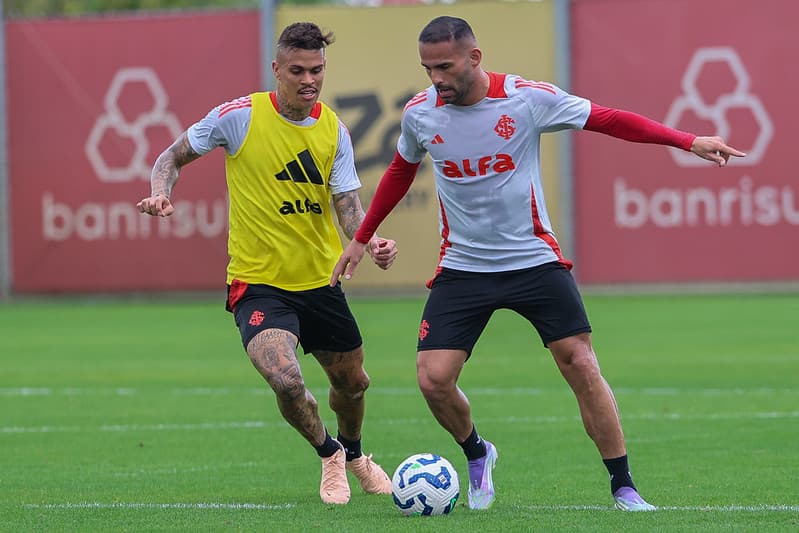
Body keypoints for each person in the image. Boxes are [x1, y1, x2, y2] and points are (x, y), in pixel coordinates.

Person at [332, 16, 745, 512]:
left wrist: (686, 140)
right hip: (464, 266)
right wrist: (361, 236)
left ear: (474, 58)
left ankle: (624, 487)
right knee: (432, 379)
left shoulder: (526, 99)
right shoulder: (421, 113)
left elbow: (608, 119)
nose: (436, 78)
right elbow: (401, 169)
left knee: (580, 362)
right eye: (427, 68)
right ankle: (478, 453)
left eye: (445, 66)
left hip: (534, 261)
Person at [137, 22, 397, 505]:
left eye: (317, 70)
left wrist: (372, 240)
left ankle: (356, 453)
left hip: (321, 282)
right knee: (284, 377)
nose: (308, 79)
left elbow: (348, 207)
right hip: (258, 284)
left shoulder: (333, 129)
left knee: (354, 385)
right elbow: (169, 157)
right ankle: (329, 454)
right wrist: (160, 193)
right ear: (276, 69)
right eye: (297, 70)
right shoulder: (239, 117)